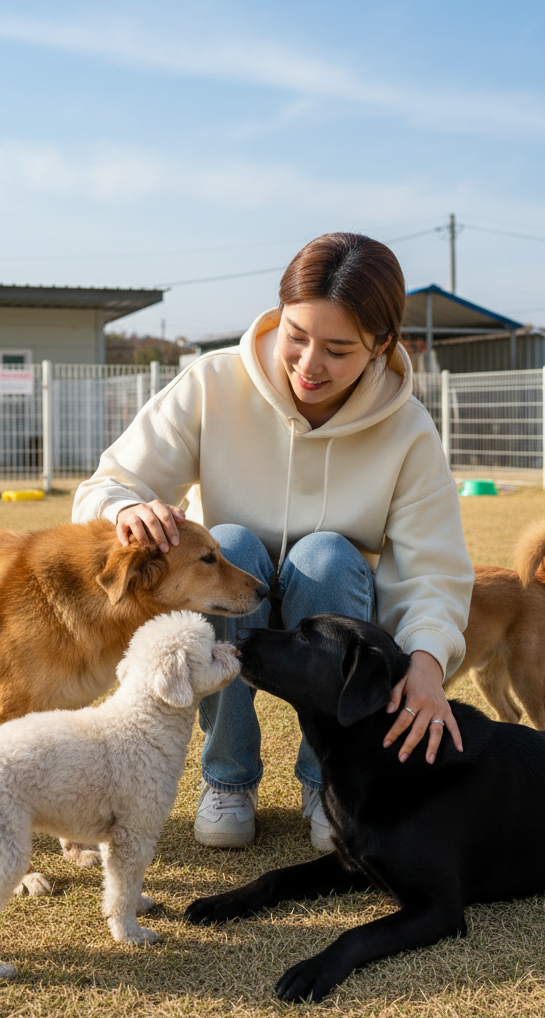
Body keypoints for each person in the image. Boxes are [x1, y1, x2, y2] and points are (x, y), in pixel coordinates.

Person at [72, 232, 474, 851]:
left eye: (338, 350)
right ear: (277, 317)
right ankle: (228, 779)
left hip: (328, 599)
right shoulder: (211, 382)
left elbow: (434, 570)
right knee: (229, 538)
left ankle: (327, 782)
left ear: (382, 345)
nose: (309, 364)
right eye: (296, 335)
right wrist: (126, 508)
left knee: (326, 555)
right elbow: (108, 482)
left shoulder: (409, 429)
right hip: (231, 588)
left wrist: (426, 661)